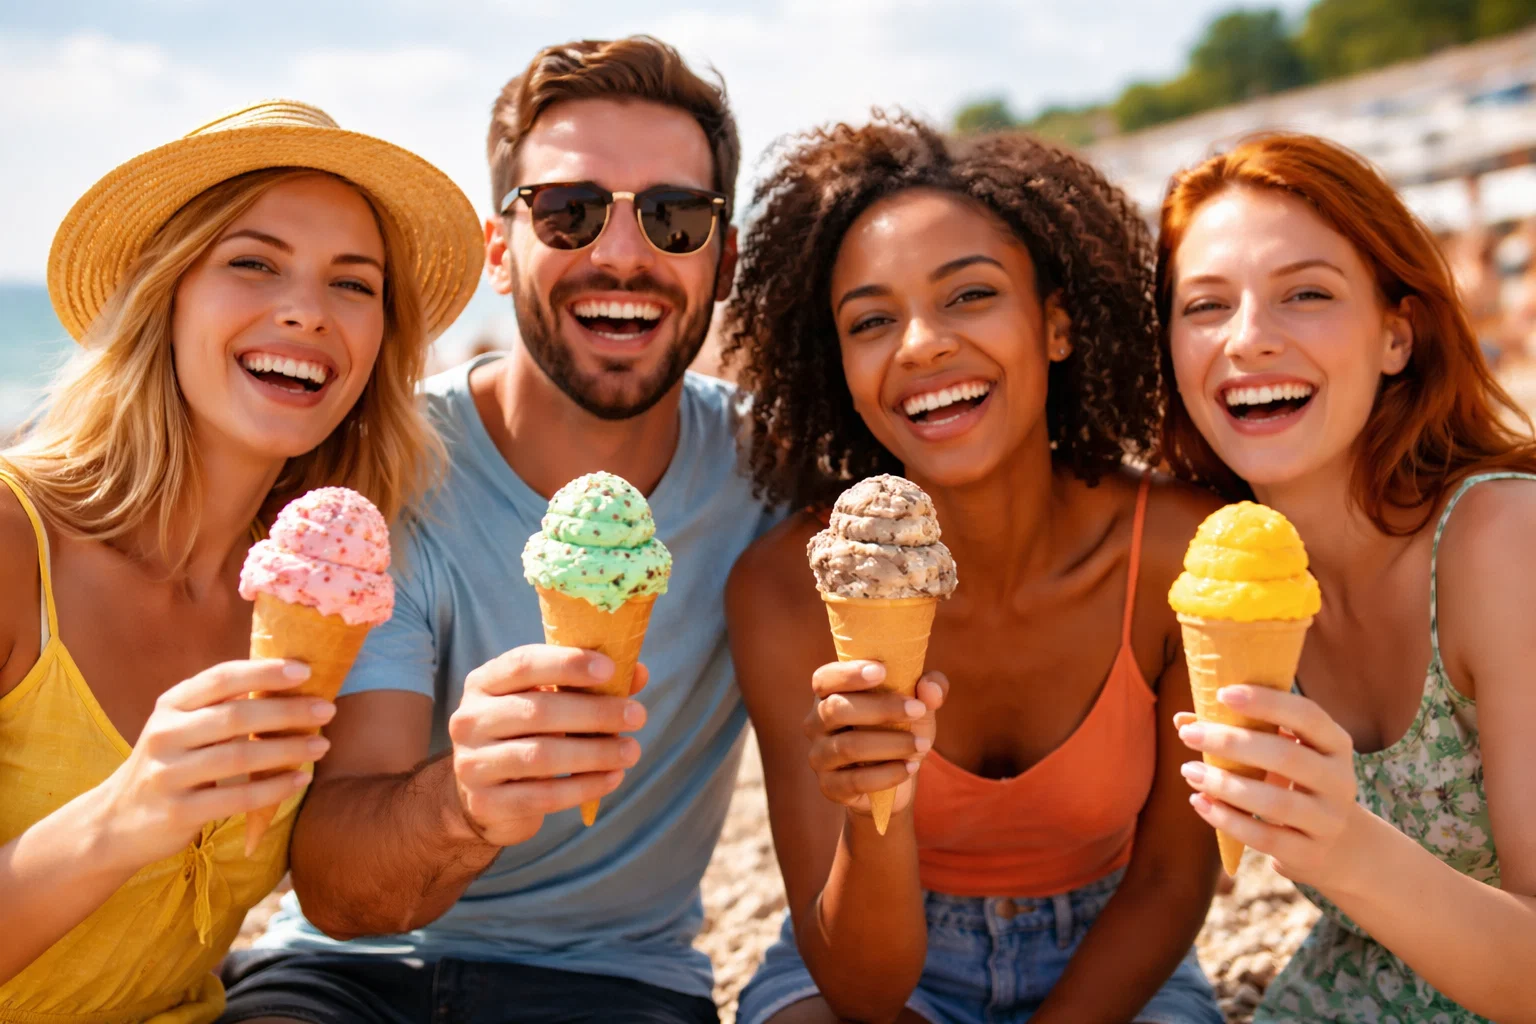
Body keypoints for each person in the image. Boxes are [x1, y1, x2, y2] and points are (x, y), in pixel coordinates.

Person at [219, 37, 780, 1024]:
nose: (620, 253)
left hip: (622, 984)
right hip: (348, 976)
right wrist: (465, 803)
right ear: (498, 251)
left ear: (725, 258)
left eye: (674, 217)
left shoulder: (771, 476)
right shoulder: (390, 466)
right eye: (568, 212)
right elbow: (344, 896)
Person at [722, 115, 1225, 1024]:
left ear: (1058, 325)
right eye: (872, 320)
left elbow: (1171, 879)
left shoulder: (1180, 553)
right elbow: (861, 990)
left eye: (970, 295)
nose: (919, 344)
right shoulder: (787, 591)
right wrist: (878, 804)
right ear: (839, 366)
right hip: (877, 962)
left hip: (1113, 951)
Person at [0, 100, 481, 1022]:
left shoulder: (325, 595)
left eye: (354, 283)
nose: (305, 311)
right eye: (252, 263)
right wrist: (121, 818)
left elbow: (361, 881)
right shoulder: (14, 541)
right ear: (164, 297)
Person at [1157, 132, 1536, 1022]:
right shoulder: (1212, 579)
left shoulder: (1503, 542)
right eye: (1206, 306)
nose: (1248, 339)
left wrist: (1342, 847)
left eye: (1306, 294)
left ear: (1396, 337)